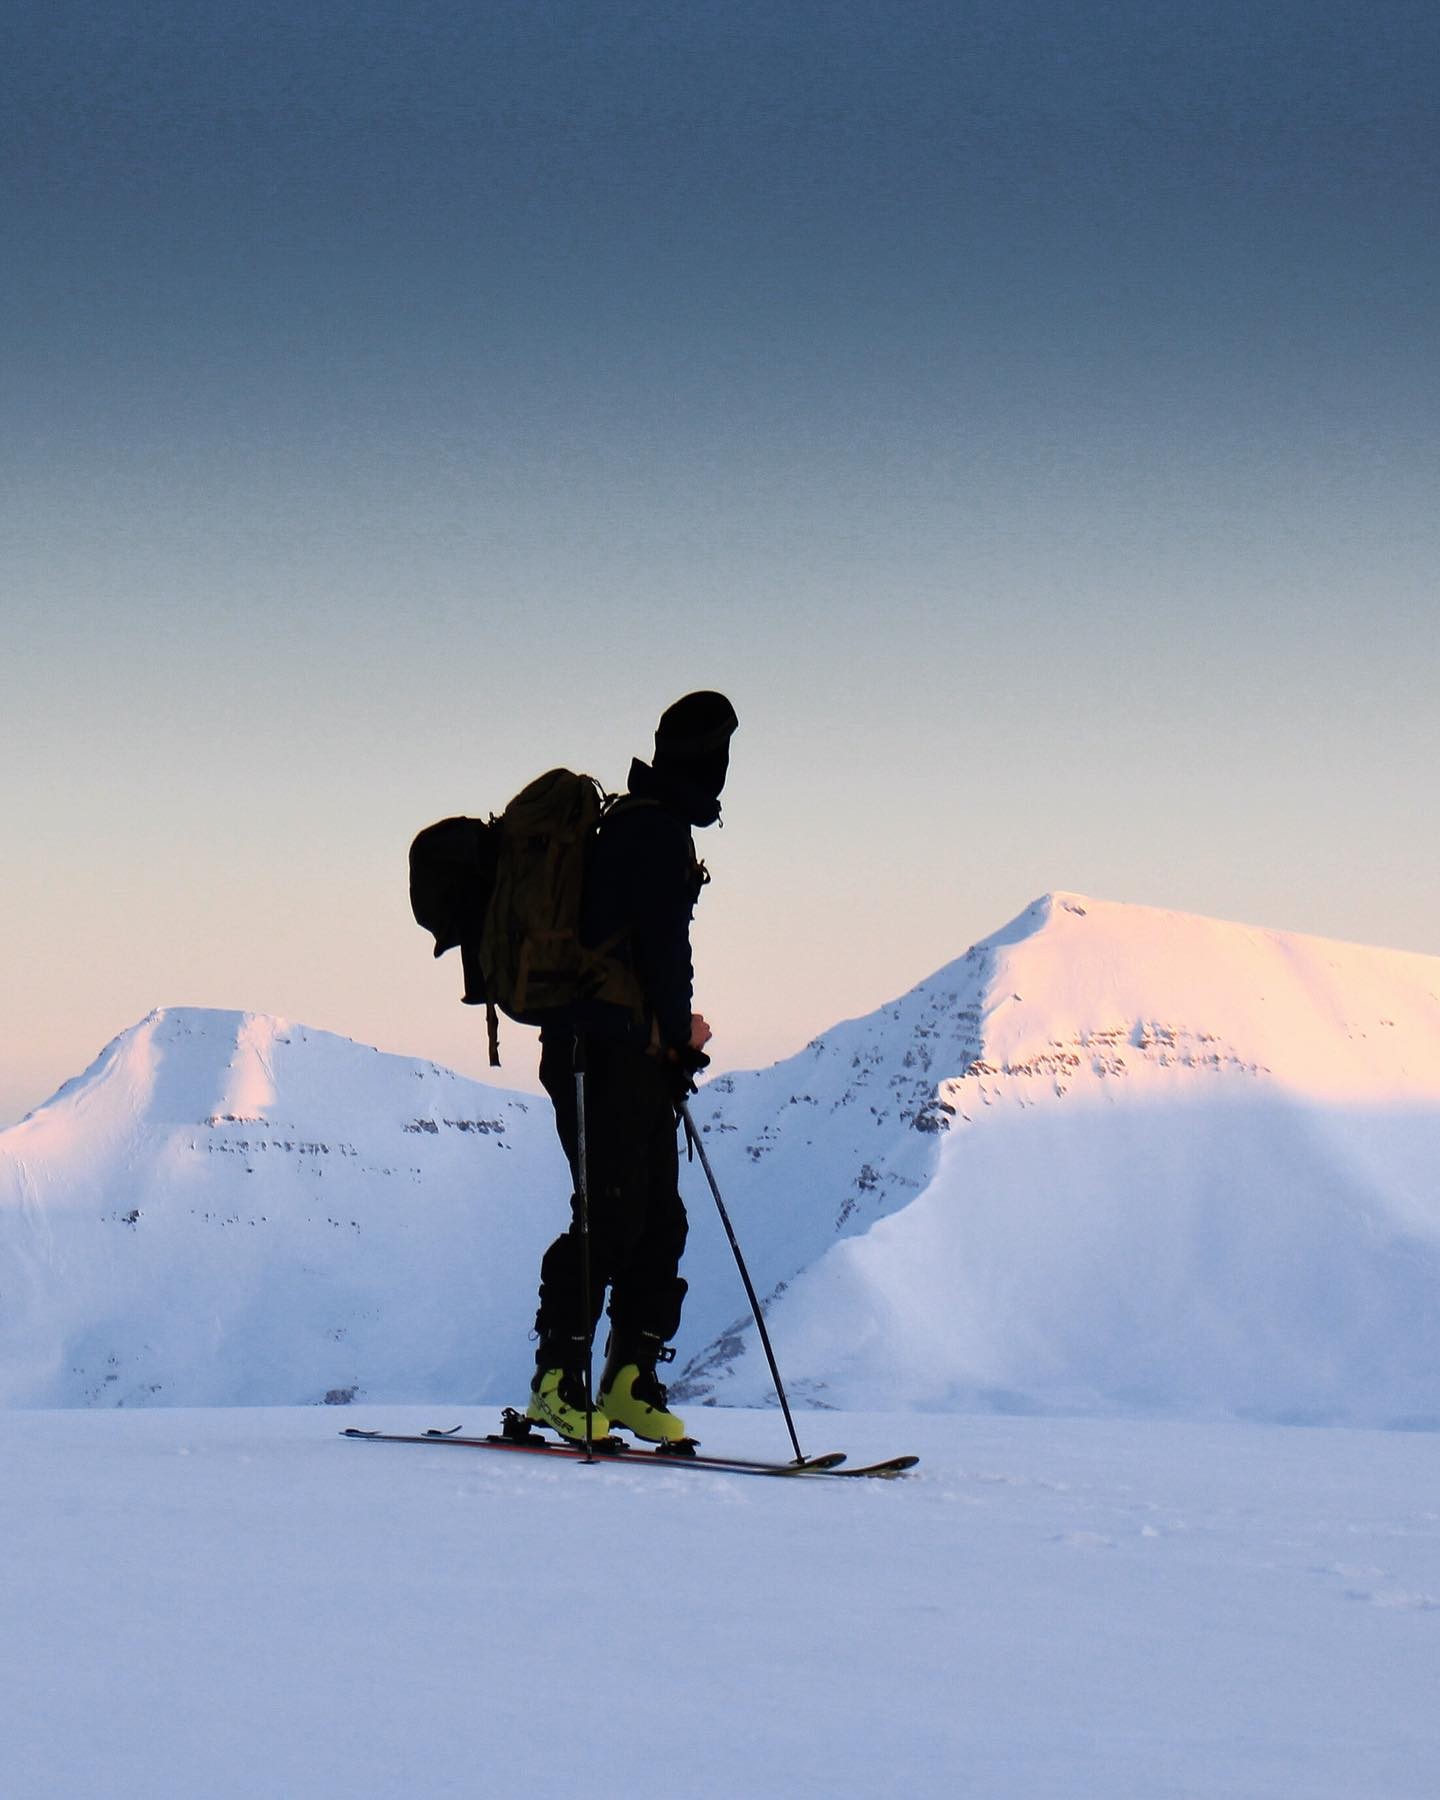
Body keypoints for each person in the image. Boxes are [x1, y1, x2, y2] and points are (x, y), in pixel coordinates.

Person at [526, 690, 739, 1444]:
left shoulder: (641, 824)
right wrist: (680, 1036)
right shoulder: (653, 833)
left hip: (615, 1050)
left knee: (657, 1221)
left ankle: (625, 1382)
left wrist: (669, 1040)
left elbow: (644, 954)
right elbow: (662, 952)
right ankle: (560, 1380)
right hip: (599, 1052)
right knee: (615, 1216)